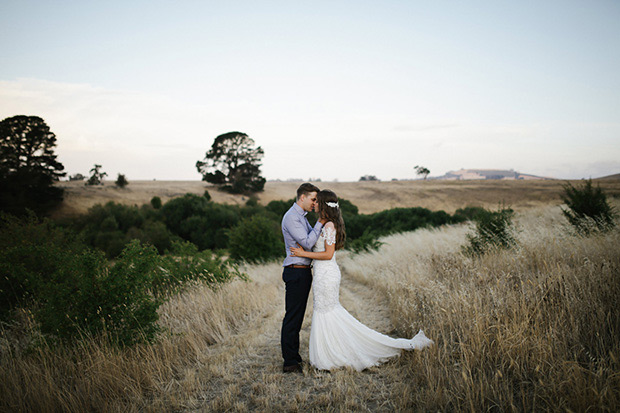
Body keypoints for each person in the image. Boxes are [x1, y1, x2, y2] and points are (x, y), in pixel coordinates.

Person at [290, 189, 433, 371]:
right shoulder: (324, 223)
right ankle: (331, 350)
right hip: (322, 273)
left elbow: (328, 254)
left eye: (317, 201)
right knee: (326, 311)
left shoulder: (329, 226)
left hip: (326, 273)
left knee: (326, 311)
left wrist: (303, 254)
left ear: (324, 204)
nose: (315, 204)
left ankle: (331, 355)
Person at [280, 183, 326, 373]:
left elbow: (311, 242)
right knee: (293, 316)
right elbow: (308, 243)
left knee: (297, 317)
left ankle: (294, 357)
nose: (315, 203)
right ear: (302, 197)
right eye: (313, 199)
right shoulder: (292, 217)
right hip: (296, 271)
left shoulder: (300, 217)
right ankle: (290, 362)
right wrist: (321, 222)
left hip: (302, 270)